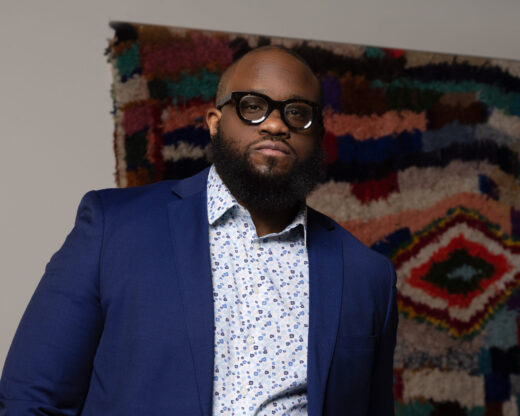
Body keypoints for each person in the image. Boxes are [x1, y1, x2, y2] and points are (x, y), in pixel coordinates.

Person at [0, 46, 397, 415]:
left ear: (317, 136)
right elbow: (30, 398)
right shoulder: (113, 228)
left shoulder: (367, 275)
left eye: (296, 113)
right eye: (253, 106)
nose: (275, 124)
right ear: (214, 122)